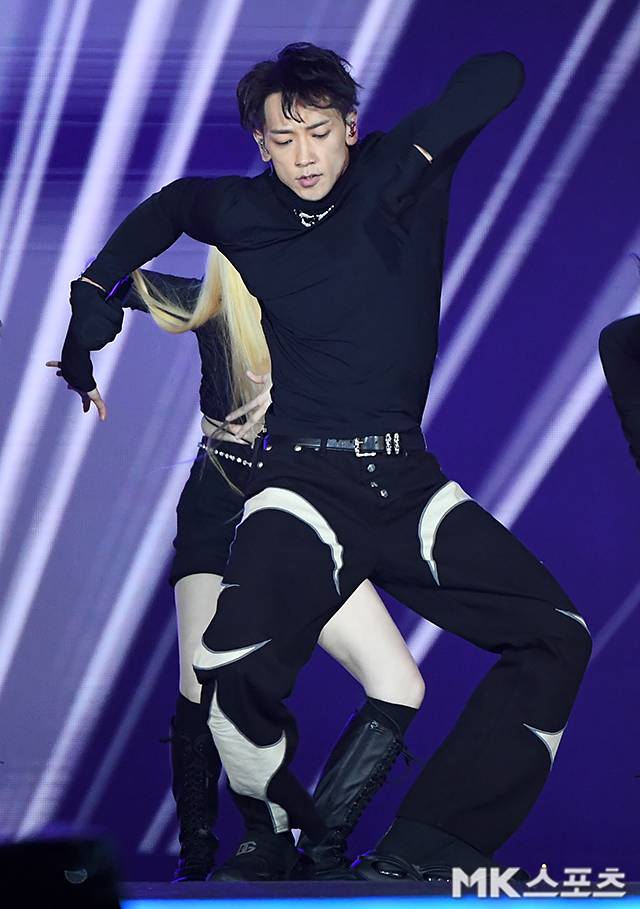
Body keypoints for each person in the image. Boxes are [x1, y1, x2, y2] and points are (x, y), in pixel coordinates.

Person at [59, 42, 591, 882]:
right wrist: (94, 289)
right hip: (305, 483)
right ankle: (263, 840)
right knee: (231, 668)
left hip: (409, 484)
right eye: (283, 138)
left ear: (350, 126)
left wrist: (421, 151)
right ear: (261, 143)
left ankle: (423, 849)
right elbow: (174, 206)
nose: (303, 154)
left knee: (557, 636)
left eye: (318, 132)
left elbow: (499, 72)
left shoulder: (395, 170)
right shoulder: (243, 211)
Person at [52, 253, 425, 882]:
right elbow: (100, 286)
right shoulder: (215, 302)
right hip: (224, 504)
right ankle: (206, 857)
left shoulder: (339, 302)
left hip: (305, 511)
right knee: (202, 686)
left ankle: (318, 849)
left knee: (398, 681)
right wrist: (78, 363)